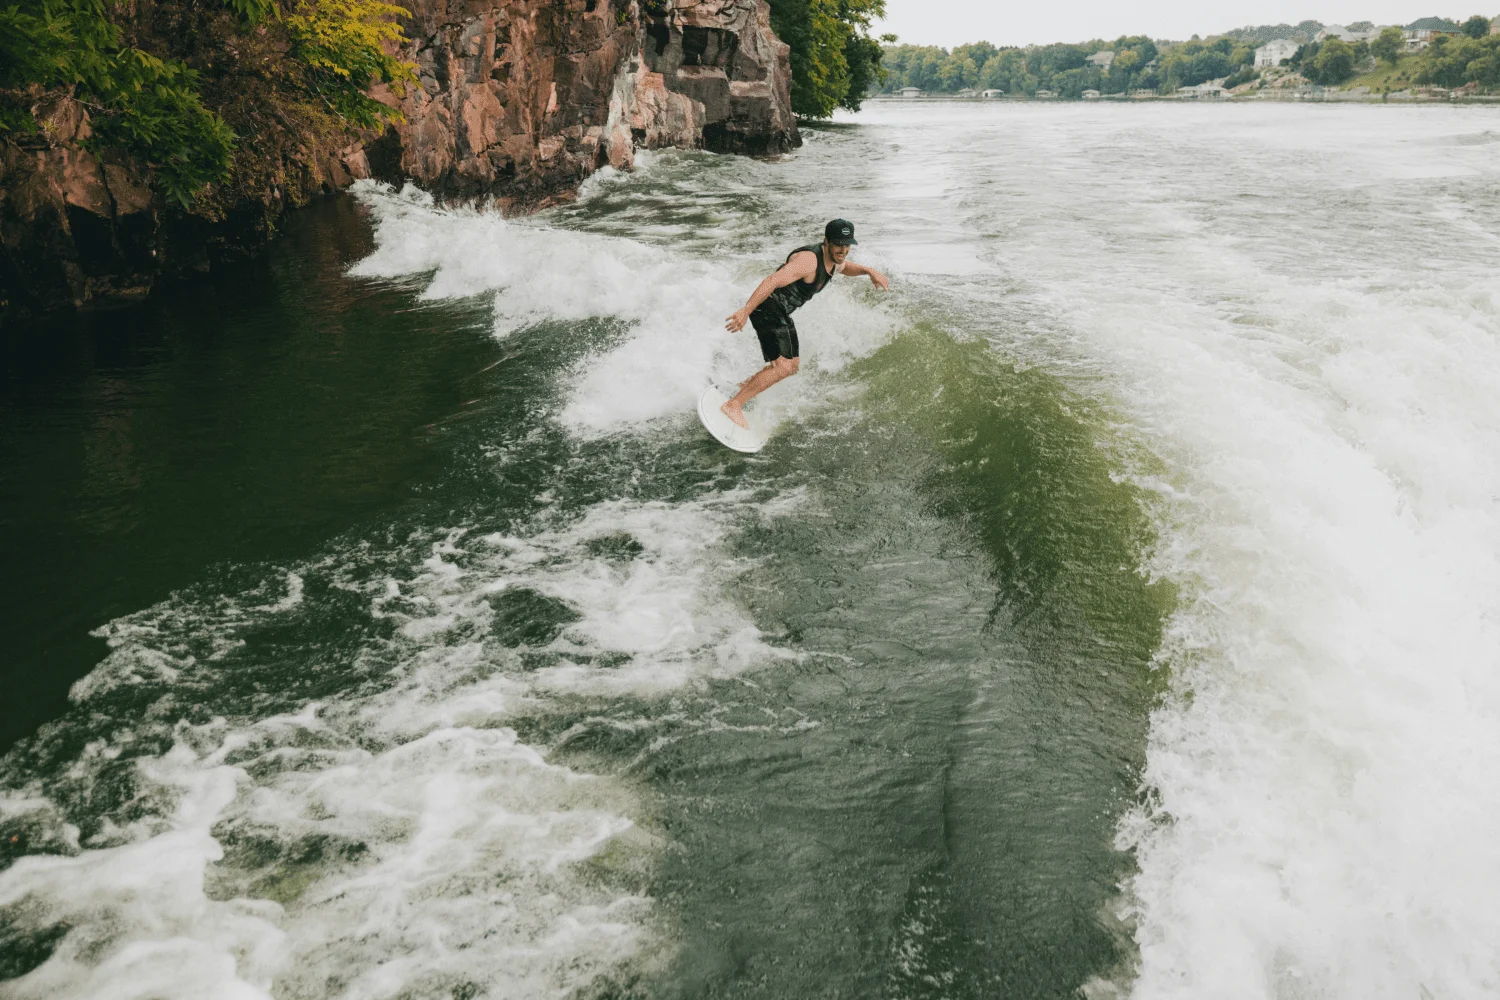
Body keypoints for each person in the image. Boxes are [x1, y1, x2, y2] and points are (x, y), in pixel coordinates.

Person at [721, 219, 890, 428]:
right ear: (826, 241)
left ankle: (741, 389)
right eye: (838, 244)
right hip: (767, 307)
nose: (843, 250)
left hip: (781, 313)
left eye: (847, 244)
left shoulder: (834, 260)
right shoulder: (808, 261)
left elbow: (845, 267)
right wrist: (745, 311)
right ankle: (733, 405)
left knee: (791, 366)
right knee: (783, 367)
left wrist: (869, 271)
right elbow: (772, 281)